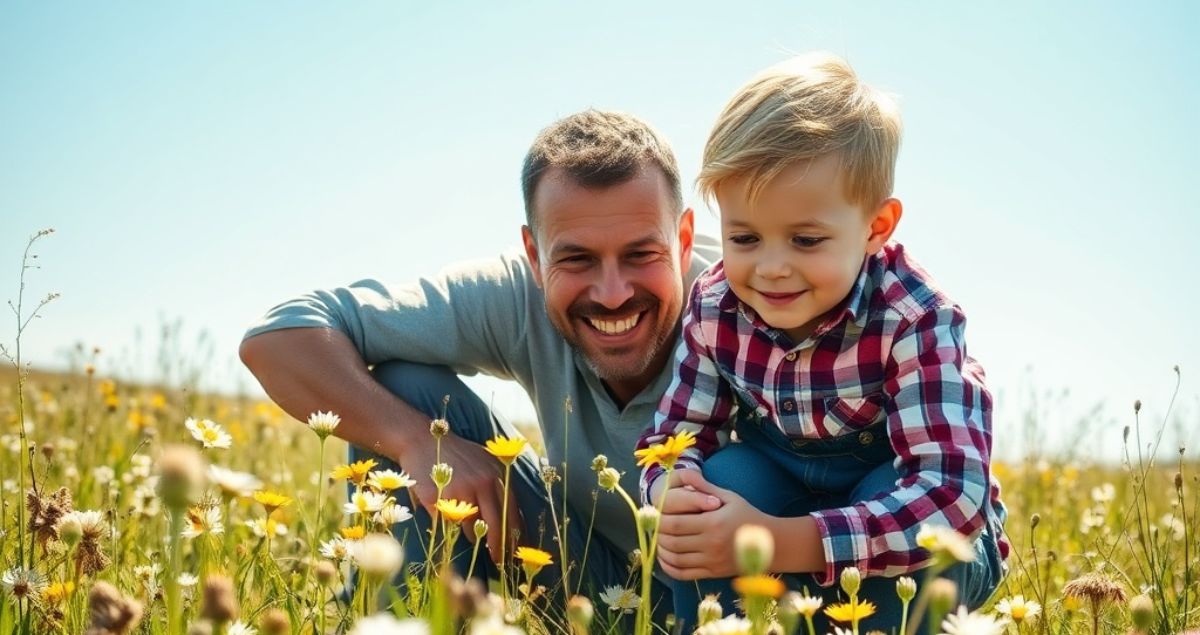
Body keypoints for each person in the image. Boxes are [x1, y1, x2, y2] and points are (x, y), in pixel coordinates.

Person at [239, 110, 720, 616]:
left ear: (684, 239)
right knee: (406, 389)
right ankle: (400, 621)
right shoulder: (513, 295)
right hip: (594, 585)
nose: (613, 293)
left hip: (740, 601)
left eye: (641, 254)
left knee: (739, 472)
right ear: (534, 256)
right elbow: (278, 339)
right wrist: (415, 440)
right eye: (577, 259)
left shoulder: (745, 302)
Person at [636, 52, 1009, 630]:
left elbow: (950, 496)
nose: (771, 268)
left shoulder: (913, 317)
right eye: (745, 238)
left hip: (898, 528)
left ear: (876, 227)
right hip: (779, 501)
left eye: (806, 240)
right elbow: (674, 435)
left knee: (912, 526)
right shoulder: (715, 306)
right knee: (716, 486)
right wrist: (673, 492)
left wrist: (779, 541)